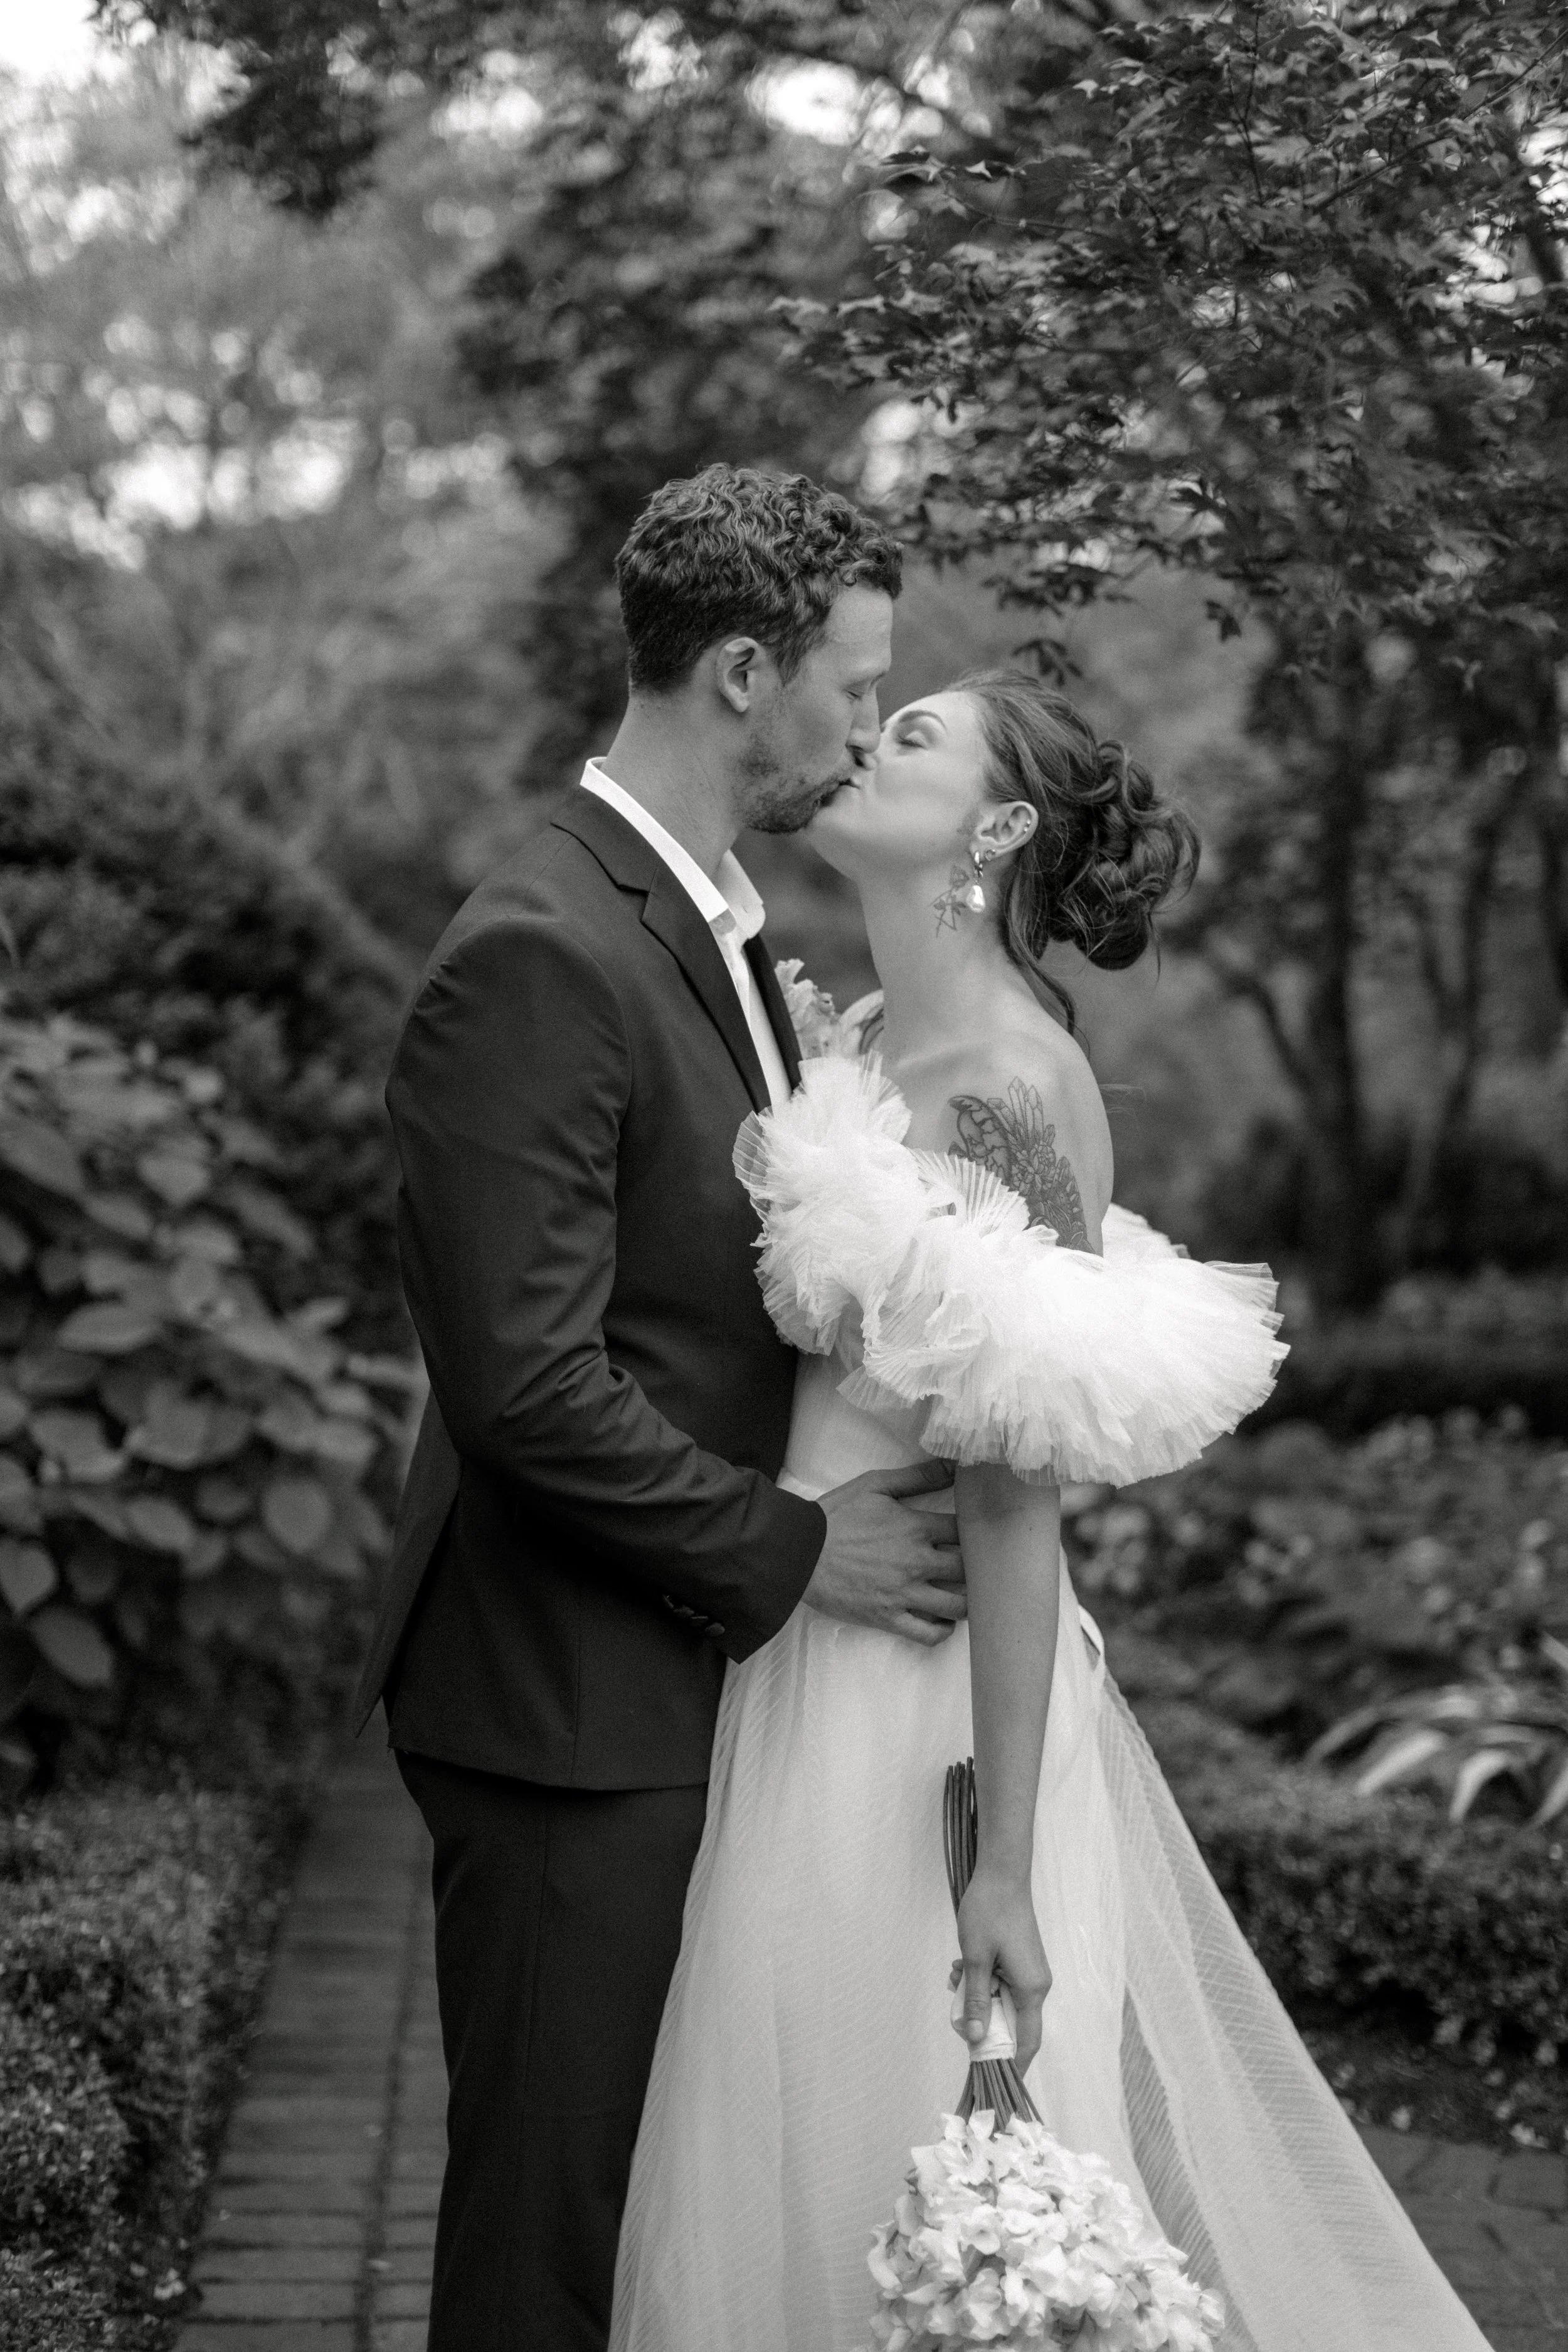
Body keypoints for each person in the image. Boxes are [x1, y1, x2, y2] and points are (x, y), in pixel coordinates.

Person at [610, 673, 1493, 2352]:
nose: (865, 739)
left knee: (905, 2135)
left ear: (997, 826)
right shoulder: (863, 1039)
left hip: (917, 1707)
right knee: (767, 2135)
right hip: (794, 1636)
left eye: (915, 737)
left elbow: (1016, 1501)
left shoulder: (1022, 1084)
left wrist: (1000, 1862)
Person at [351, 466, 971, 2352]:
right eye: (851, 685)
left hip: (656, 1684)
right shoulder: (542, 946)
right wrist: (803, 1548)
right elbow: (528, 1385)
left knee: (640, 2227)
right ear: (736, 672)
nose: (864, 725)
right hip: (562, 1708)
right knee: (549, 2238)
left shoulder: (701, 921)